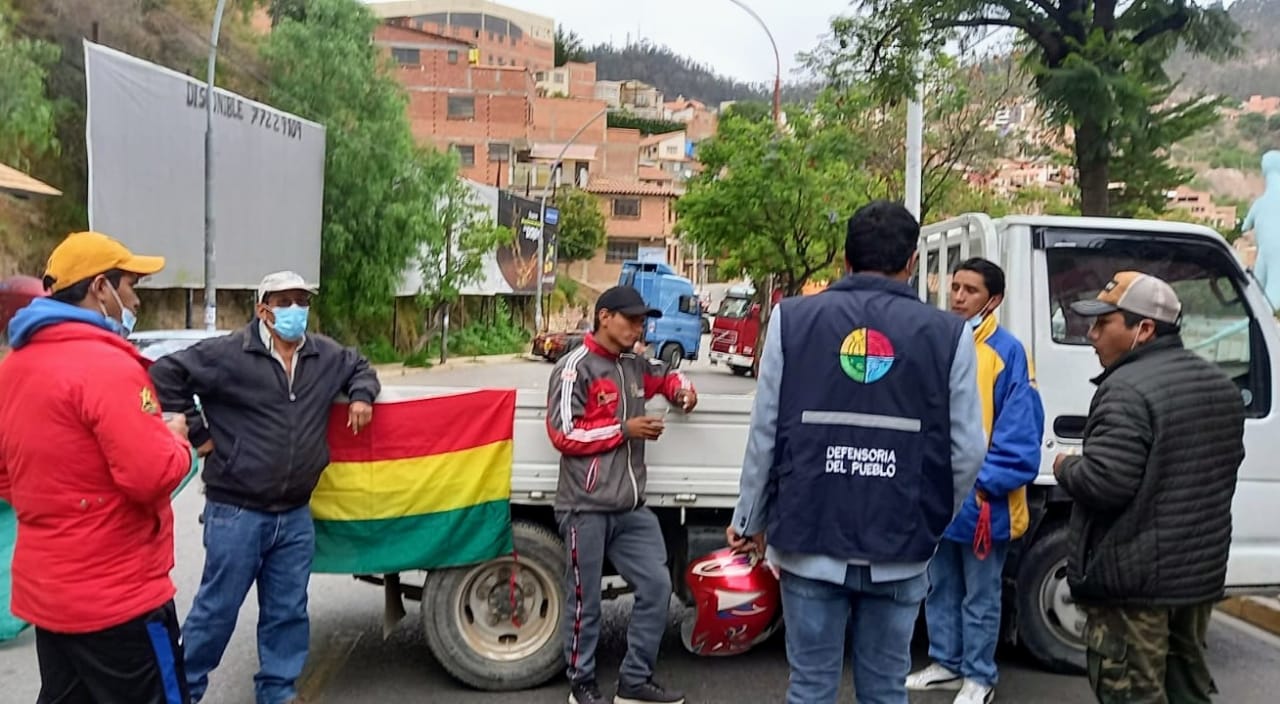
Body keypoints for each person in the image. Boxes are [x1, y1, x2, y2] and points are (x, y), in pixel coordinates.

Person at [727, 200, 987, 704]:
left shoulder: (791, 320)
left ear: (844, 260)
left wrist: (751, 516)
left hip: (808, 538)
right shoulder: (949, 333)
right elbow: (967, 450)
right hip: (901, 548)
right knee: (886, 690)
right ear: (911, 262)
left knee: (810, 688)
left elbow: (765, 432)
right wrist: (931, 519)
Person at [149, 271, 381, 704]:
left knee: (287, 613)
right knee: (216, 612)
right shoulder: (229, 354)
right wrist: (198, 434)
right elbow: (164, 373)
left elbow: (359, 365)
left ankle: (278, 692)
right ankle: (183, 692)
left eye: (302, 300)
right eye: (285, 300)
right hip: (237, 512)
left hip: (294, 514)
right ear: (263, 309)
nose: (296, 308)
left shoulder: (323, 355)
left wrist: (363, 394)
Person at [0, 231, 194, 702]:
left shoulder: (13, 369)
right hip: (118, 600)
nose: (136, 301)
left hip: (50, 597)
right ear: (100, 288)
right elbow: (150, 476)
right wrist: (176, 442)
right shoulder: (107, 367)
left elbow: (7, 479)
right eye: (131, 286)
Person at [1053, 271, 1245, 704]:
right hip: (1195, 578)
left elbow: (1105, 483)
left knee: (1133, 694)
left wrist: (1066, 466)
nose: (1092, 333)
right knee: (1187, 691)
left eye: (1105, 323)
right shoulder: (1220, 386)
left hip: (1133, 584)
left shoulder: (1125, 389)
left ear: (1143, 330)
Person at [545, 285, 697, 704]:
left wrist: (683, 390)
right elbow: (563, 433)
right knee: (585, 599)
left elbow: (666, 377)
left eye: (641, 320)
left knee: (656, 586)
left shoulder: (633, 364)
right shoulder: (575, 367)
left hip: (630, 507)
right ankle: (582, 685)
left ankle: (634, 682)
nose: (638, 326)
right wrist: (623, 430)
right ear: (604, 316)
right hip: (585, 507)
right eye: (630, 319)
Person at [907, 258, 1044, 704]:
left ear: (994, 300)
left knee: (981, 595)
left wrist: (985, 484)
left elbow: (1019, 428)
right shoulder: (940, 344)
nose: (959, 297)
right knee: (939, 585)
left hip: (985, 500)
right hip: (939, 498)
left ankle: (980, 676)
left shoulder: (1008, 352)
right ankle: (946, 663)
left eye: (971, 290)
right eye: (955, 288)